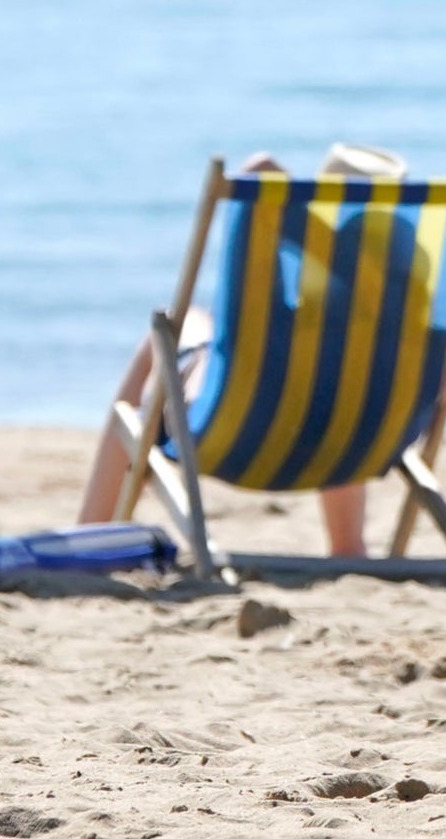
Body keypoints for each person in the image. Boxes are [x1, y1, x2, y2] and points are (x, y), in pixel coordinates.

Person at [76, 144, 405, 557]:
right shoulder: (419, 307)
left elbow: (257, 169)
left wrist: (310, 219)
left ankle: (89, 535)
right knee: (344, 395)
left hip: (231, 432)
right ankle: (348, 547)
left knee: (175, 331)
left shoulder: (288, 311)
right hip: (358, 443)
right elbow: (438, 396)